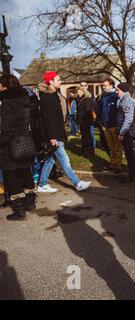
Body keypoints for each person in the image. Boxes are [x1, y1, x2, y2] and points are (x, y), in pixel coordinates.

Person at [37, 71, 91, 193]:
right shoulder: (47, 97)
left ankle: (42, 184)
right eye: (58, 79)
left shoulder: (54, 95)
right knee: (64, 160)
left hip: (57, 134)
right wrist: (52, 137)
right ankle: (77, 183)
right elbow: (48, 119)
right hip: (54, 136)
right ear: (50, 82)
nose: (60, 81)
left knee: (50, 160)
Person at [0, 74, 37, 220]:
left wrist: (1, 141)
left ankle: (19, 210)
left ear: (4, 86)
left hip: (10, 146)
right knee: (26, 172)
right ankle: (30, 201)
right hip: (25, 142)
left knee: (11, 177)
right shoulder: (24, 99)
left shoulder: (7, 102)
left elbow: (7, 128)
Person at [116, 83, 135, 183]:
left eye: (118, 90)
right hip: (126, 131)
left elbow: (128, 119)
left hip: (127, 132)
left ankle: (132, 175)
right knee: (129, 153)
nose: (117, 92)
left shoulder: (127, 101)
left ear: (123, 90)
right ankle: (132, 174)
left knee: (129, 154)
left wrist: (122, 133)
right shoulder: (123, 99)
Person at [99, 78, 122, 173]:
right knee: (110, 147)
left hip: (114, 125)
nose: (103, 87)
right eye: (103, 85)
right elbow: (103, 111)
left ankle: (118, 165)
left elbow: (118, 112)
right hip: (105, 125)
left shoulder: (115, 96)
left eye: (105, 85)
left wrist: (117, 125)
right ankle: (112, 163)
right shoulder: (104, 97)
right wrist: (102, 123)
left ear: (111, 85)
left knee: (117, 147)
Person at [76, 86, 96, 156]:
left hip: (86, 121)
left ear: (83, 92)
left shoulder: (86, 100)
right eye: (77, 92)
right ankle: (87, 151)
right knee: (85, 137)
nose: (78, 93)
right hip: (82, 121)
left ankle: (88, 152)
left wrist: (84, 121)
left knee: (87, 137)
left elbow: (87, 111)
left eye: (79, 92)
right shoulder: (80, 99)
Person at [80, 82, 96, 150]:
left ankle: (92, 147)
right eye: (81, 85)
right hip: (82, 119)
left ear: (87, 87)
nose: (83, 86)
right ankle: (87, 148)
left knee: (91, 134)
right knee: (85, 135)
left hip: (89, 118)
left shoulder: (90, 95)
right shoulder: (79, 96)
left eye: (84, 85)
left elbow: (93, 106)